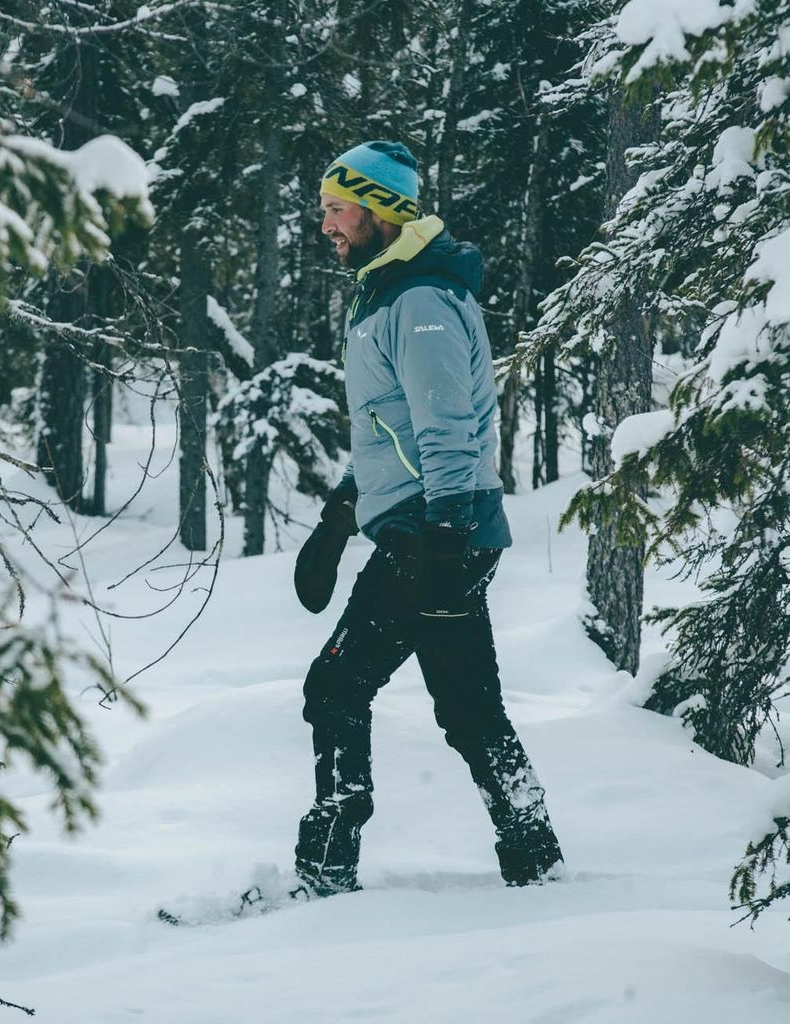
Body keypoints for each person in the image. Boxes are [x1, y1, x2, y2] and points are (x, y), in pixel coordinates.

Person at [293, 140, 563, 896]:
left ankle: (324, 871)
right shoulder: (390, 291)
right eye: (324, 211)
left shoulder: (417, 301)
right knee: (472, 711)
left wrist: (443, 535)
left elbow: (447, 426)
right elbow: (394, 426)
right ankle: (537, 863)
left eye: (337, 210)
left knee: (335, 690)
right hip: (434, 526)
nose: (327, 227)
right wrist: (342, 513)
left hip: (433, 532)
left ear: (380, 210)